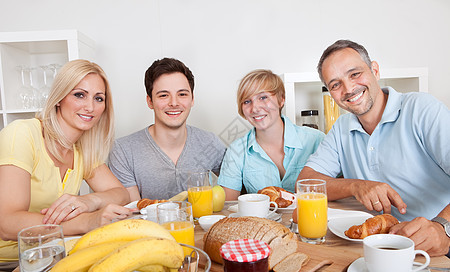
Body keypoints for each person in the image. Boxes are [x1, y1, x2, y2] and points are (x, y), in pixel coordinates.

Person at [298, 39, 450, 257]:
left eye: (354, 74)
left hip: (438, 244)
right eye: (335, 84)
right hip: (380, 247)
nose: (349, 89)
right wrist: (357, 186)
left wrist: (443, 227)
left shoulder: (422, 109)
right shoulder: (341, 128)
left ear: (375, 70)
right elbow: (306, 182)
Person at [0, 59, 131, 262]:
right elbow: (7, 224)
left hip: (53, 256)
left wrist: (89, 201)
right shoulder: (22, 134)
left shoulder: (82, 149)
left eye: (99, 98)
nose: (90, 107)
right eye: (80, 95)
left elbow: (121, 194)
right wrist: (87, 221)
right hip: (10, 266)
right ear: (59, 97)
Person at [108, 58, 226, 201]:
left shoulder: (210, 142)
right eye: (164, 95)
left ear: (192, 99)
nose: (174, 103)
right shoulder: (123, 151)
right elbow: (134, 215)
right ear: (150, 101)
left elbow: (236, 189)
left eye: (182, 94)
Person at [218, 69, 325, 201]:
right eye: (247, 101)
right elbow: (228, 207)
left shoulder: (316, 140)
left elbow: (338, 193)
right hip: (261, 221)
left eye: (263, 97)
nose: (255, 108)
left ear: (281, 100)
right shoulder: (236, 151)